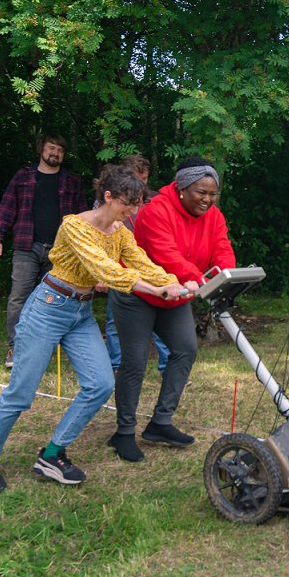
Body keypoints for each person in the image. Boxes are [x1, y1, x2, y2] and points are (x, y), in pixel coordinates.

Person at [0, 166, 191, 493]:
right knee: (21, 393)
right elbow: (105, 269)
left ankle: (53, 454)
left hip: (81, 313)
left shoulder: (120, 232)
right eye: (127, 203)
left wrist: (172, 282)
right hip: (47, 307)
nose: (132, 211)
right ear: (108, 196)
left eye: (137, 204)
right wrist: (154, 290)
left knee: (100, 385)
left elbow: (141, 262)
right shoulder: (75, 225)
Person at [107, 157, 236, 462]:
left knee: (185, 349)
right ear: (181, 188)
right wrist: (203, 281)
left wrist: (225, 279)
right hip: (138, 294)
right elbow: (168, 256)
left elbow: (222, 248)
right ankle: (123, 432)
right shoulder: (156, 211)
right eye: (200, 192)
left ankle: (160, 423)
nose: (207, 199)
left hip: (176, 296)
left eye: (212, 193)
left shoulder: (213, 216)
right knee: (135, 362)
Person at [0, 134, 89, 368]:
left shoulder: (71, 183)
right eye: (51, 148)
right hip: (27, 246)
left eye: (60, 150)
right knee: (19, 297)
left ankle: (46, 345)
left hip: (61, 251)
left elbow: (84, 218)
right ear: (41, 150)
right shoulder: (23, 177)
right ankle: (16, 347)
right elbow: (6, 207)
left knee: (56, 299)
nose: (55, 153)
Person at [100, 155, 171, 374]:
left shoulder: (157, 200)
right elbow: (100, 239)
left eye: (145, 179)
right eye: (137, 179)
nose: (142, 185)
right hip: (118, 267)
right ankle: (116, 365)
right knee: (114, 321)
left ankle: (168, 365)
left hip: (150, 263)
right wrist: (102, 274)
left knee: (159, 313)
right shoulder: (107, 204)